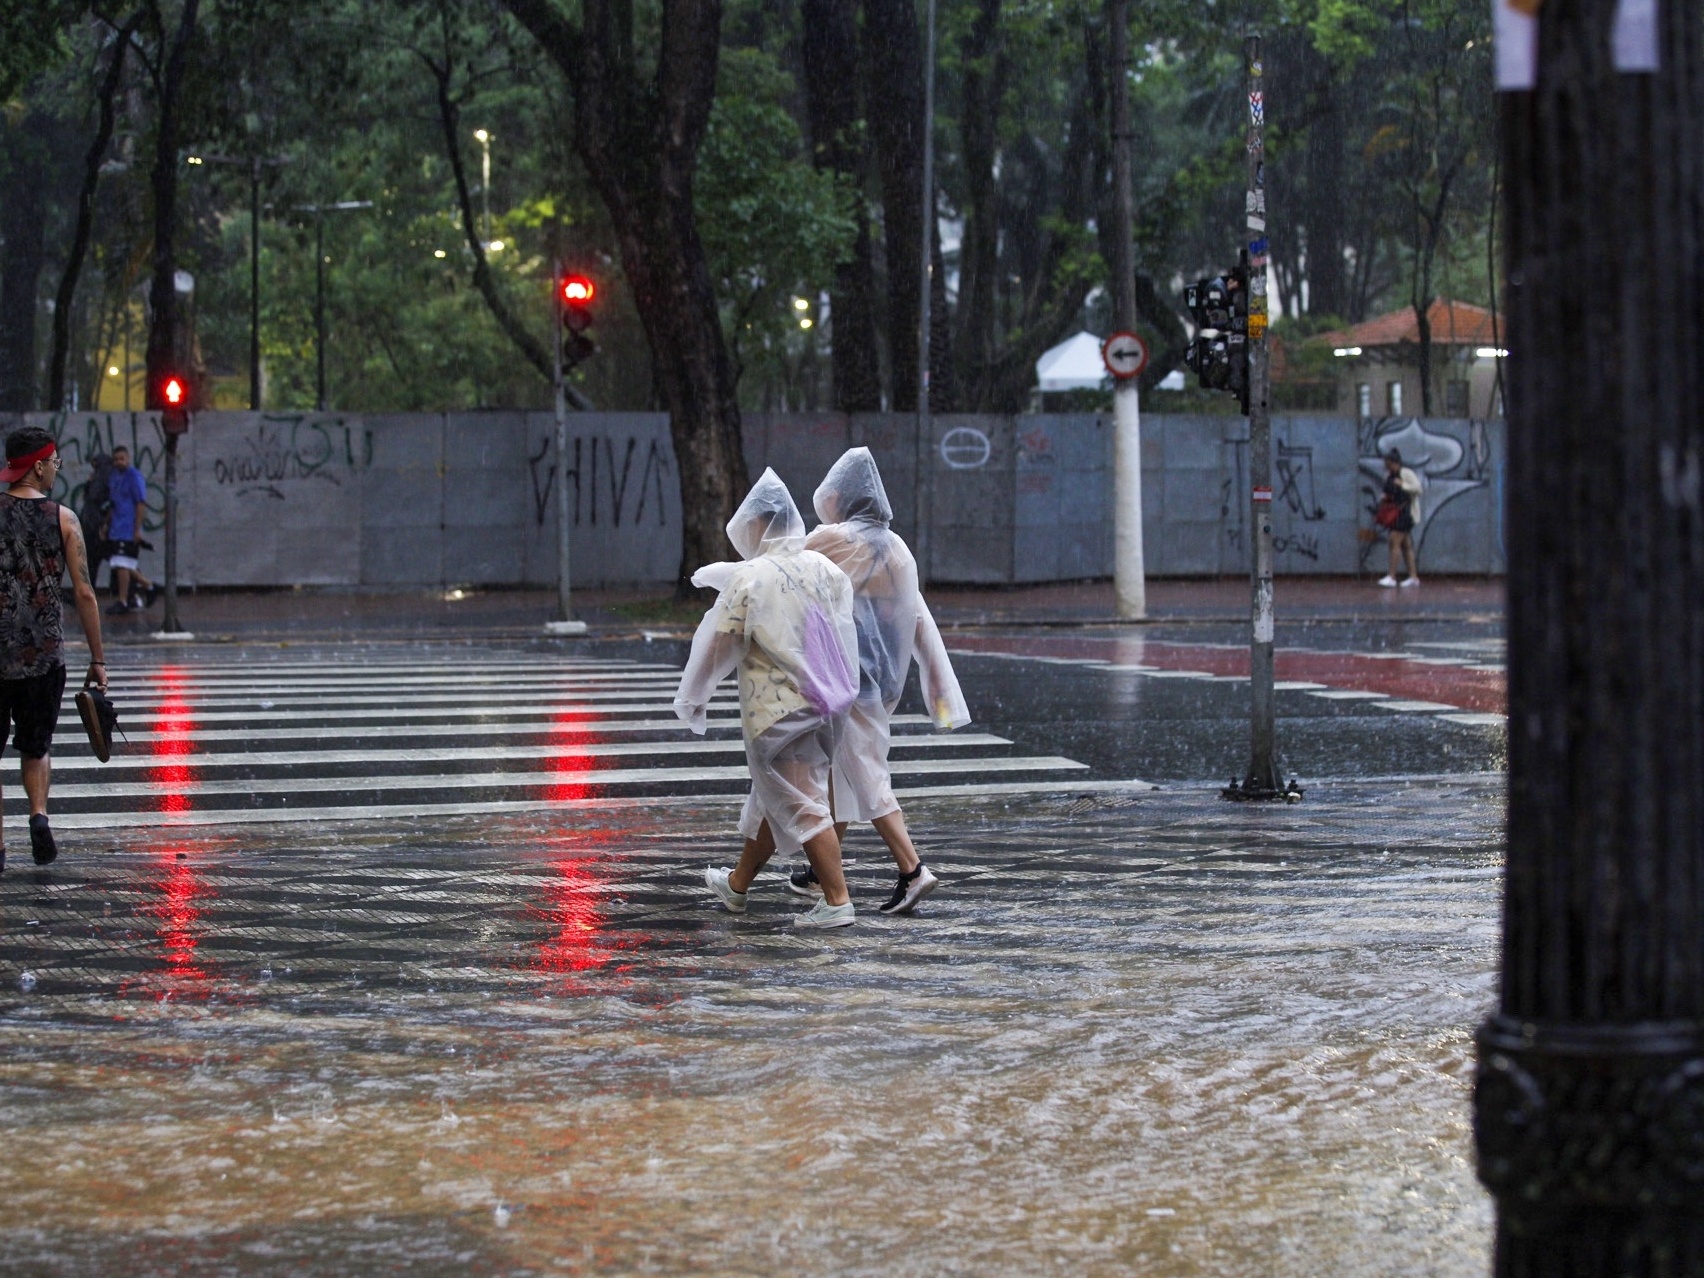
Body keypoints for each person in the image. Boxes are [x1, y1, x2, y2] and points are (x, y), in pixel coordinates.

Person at [675, 469, 862, 928]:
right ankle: (737, 886)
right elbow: (842, 633)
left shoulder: (751, 577)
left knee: (802, 803)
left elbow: (720, 643)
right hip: (826, 703)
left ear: (758, 527)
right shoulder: (825, 568)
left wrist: (694, 695)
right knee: (773, 799)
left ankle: (837, 901)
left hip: (775, 713)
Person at [790, 447, 971, 914]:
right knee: (843, 770)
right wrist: (941, 692)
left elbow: (784, 564)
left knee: (865, 773)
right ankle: (819, 869)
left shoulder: (833, 538)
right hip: (878, 681)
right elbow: (919, 619)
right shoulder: (897, 549)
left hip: (840, 677)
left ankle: (912, 870)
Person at [0, 427, 108, 872]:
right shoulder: (63, 519)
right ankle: (38, 816)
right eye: (55, 463)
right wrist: (98, 659)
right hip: (44, 654)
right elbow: (84, 592)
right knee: (36, 745)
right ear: (39, 465)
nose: (56, 470)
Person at [105, 444, 159, 613]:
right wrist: (106, 524)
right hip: (116, 526)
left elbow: (140, 504)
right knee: (122, 563)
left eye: (122, 459)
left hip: (127, 527)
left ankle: (123, 601)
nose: (119, 462)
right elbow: (113, 503)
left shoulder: (134, 477)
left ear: (128, 459)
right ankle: (149, 586)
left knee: (122, 564)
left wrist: (137, 529)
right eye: (116, 459)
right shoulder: (113, 477)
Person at [1377, 449, 1423, 588]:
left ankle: (1391, 576)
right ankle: (1413, 577)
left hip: (1405, 513)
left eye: (1389, 463)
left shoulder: (1406, 473)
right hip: (1395, 513)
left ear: (1396, 463)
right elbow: (1389, 490)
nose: (1387, 466)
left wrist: (1402, 484)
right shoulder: (1390, 475)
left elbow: (1418, 489)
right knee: (1406, 545)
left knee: (1394, 540)